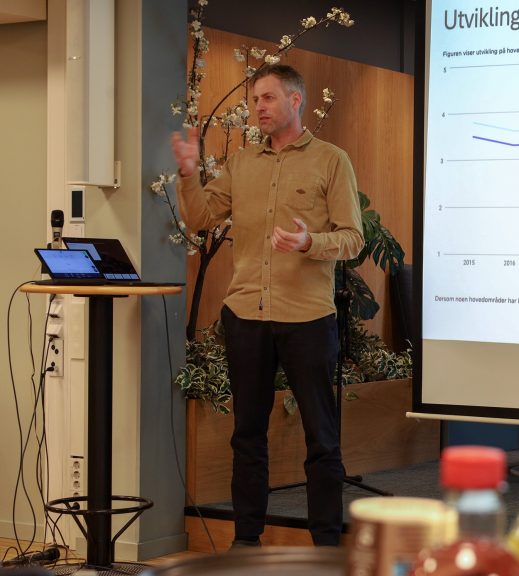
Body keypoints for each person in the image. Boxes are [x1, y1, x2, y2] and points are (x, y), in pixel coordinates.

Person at [171, 64, 364, 547]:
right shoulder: (242, 163)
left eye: (268, 98)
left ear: (296, 101)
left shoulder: (331, 160)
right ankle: (245, 542)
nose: (258, 107)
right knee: (246, 436)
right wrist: (189, 174)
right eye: (255, 99)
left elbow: (353, 238)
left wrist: (309, 242)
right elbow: (200, 217)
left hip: (308, 320)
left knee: (321, 438)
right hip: (247, 317)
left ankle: (325, 547)